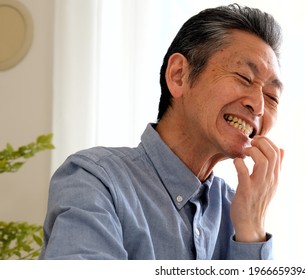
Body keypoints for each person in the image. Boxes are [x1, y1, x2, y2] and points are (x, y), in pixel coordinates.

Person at [40, 3, 284, 260]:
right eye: (244, 77)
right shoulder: (95, 180)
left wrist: (252, 232)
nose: (258, 106)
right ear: (179, 75)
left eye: (272, 97)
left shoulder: (238, 209)